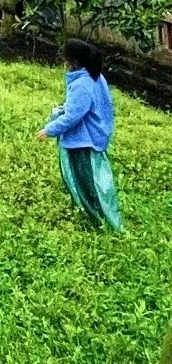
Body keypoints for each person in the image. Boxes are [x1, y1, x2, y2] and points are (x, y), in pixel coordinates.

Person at [37, 38, 122, 230]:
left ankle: (99, 221)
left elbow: (72, 117)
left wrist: (48, 130)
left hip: (84, 141)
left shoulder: (81, 84)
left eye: (64, 60)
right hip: (95, 134)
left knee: (88, 184)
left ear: (71, 61)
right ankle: (96, 217)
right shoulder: (95, 75)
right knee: (93, 182)